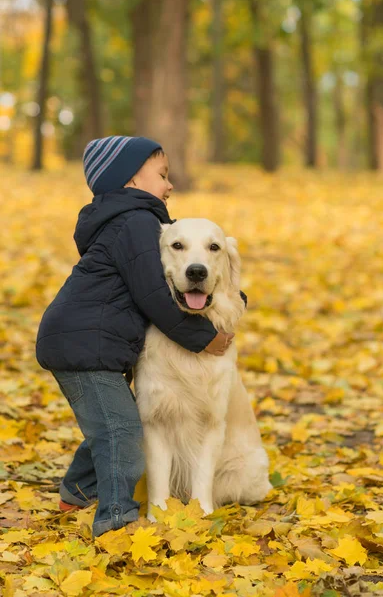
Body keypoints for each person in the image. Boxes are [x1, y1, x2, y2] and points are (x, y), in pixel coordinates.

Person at [36, 136, 237, 538]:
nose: (170, 184)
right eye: (162, 175)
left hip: (85, 343)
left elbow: (173, 283)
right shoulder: (137, 222)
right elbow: (153, 296)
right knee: (122, 434)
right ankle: (116, 522)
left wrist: (233, 295)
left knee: (112, 425)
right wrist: (202, 339)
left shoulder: (128, 220)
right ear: (129, 180)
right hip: (83, 346)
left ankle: (75, 495)